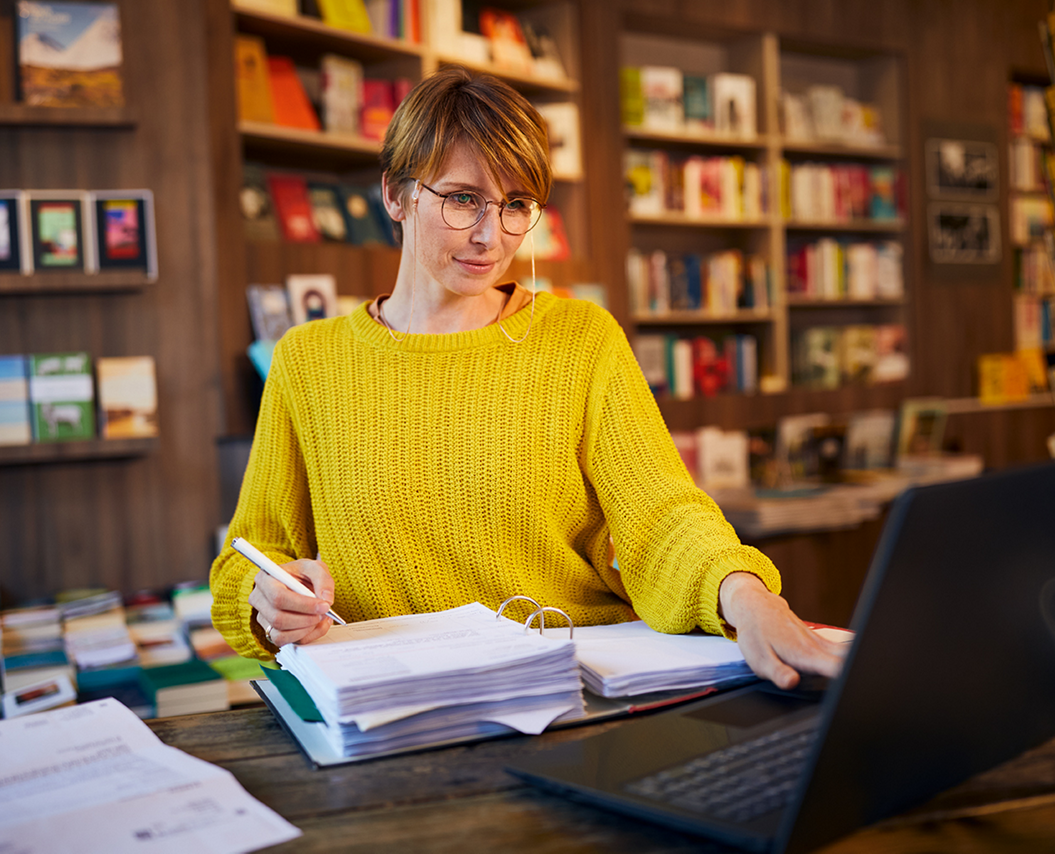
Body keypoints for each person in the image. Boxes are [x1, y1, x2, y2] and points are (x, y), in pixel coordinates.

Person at [209, 67, 843, 689]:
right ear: (395, 196)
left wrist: (749, 598)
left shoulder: (581, 339)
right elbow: (249, 557)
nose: (492, 235)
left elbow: (663, 517)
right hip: (392, 710)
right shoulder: (309, 360)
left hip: (570, 691)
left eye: (517, 205)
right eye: (463, 200)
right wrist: (269, 600)